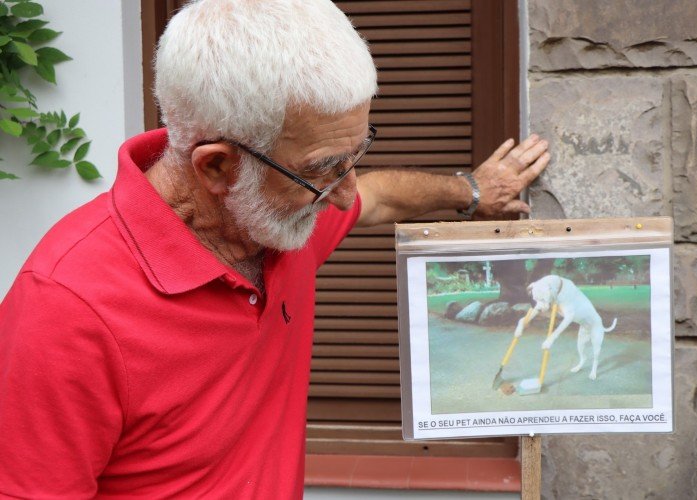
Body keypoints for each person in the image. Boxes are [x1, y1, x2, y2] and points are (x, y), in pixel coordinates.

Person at [0, 0, 550, 497]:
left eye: (353, 156)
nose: (343, 195)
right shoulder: (65, 310)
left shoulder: (277, 221)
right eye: (321, 170)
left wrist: (473, 191)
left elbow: (378, 198)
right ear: (216, 165)